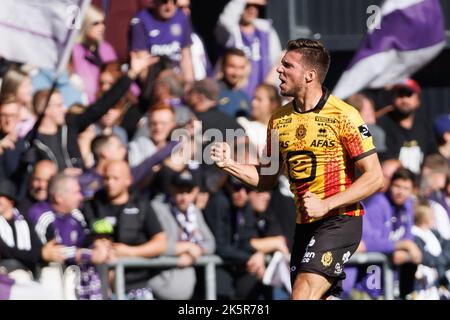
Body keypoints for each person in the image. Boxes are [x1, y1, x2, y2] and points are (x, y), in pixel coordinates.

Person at [210, 38, 384, 300]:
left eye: (287, 66)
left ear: (309, 75)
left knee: (302, 295)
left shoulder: (343, 115)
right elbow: (267, 178)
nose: (279, 70)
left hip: (339, 220)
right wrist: (230, 165)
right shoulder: (279, 119)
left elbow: (375, 178)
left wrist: (326, 205)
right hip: (304, 225)